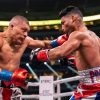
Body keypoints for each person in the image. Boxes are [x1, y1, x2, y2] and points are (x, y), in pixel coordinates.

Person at [30, 6, 100, 99]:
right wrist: (73, 60)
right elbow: (94, 63)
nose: (62, 27)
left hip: (92, 89)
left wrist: (39, 55)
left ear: (73, 18)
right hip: (88, 86)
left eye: (63, 23)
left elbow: (60, 52)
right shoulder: (94, 36)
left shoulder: (77, 35)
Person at [0, 15, 69, 100]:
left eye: (27, 32)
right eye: (23, 30)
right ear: (12, 26)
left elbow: (45, 44)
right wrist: (10, 76)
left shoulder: (25, 41)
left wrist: (59, 41)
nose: (26, 34)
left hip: (12, 86)